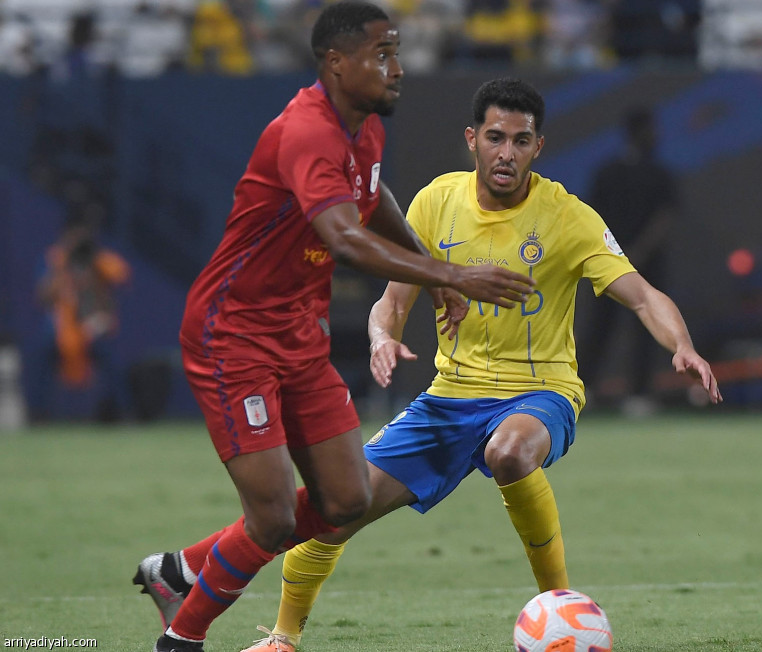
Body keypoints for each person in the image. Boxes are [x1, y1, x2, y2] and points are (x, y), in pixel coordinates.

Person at [137, 77, 722, 652]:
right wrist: (381, 338)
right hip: (449, 398)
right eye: (496, 137)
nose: (507, 152)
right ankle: (282, 638)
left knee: (510, 452)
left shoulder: (568, 216)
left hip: (539, 392)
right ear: (472, 139)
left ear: (538, 147)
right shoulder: (436, 201)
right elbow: (391, 303)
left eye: (521, 141)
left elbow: (642, 295)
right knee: (337, 510)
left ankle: (559, 609)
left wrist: (682, 345)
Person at [131, 5, 534, 652]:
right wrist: (453, 274)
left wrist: (433, 275)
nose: (398, 68)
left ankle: (180, 571)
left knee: (346, 501)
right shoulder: (306, 132)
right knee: (272, 518)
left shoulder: (364, 125)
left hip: (298, 334)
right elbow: (344, 237)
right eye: (383, 55)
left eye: (397, 52)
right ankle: (182, 638)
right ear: (336, 64)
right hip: (234, 335)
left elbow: (372, 199)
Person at [577, 106, 679, 409]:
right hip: (610, 264)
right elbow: (592, 217)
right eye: (652, 129)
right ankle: (584, 389)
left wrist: (638, 251)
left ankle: (639, 394)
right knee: (600, 326)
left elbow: (665, 217)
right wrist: (619, 254)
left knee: (646, 328)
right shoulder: (610, 173)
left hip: (642, 265)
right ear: (639, 132)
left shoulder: (659, 174)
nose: (656, 136)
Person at [29, 222, 131, 422]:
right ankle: (37, 414)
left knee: (111, 359)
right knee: (41, 353)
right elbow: (43, 297)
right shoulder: (55, 260)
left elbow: (121, 277)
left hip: (91, 325)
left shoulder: (97, 260)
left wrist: (92, 266)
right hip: (62, 327)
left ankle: (122, 413)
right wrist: (62, 269)